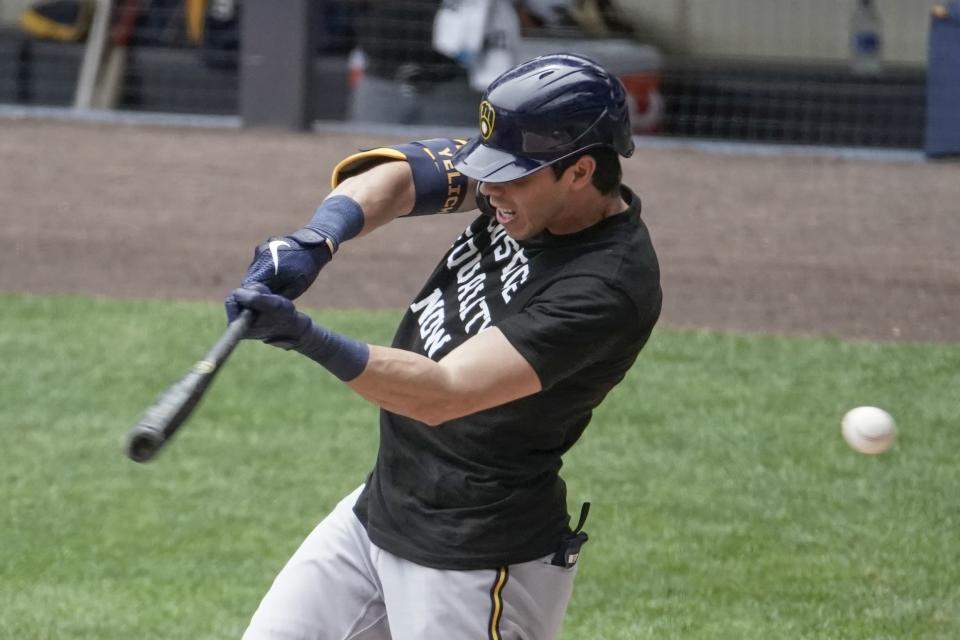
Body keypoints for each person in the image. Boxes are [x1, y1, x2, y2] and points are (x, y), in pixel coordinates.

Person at [226, 53, 662, 640]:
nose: (491, 190)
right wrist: (315, 239)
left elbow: (443, 393)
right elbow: (402, 176)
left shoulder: (605, 287)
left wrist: (305, 336)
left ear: (580, 172)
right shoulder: (527, 186)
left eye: (511, 177)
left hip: (478, 555)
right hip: (384, 507)